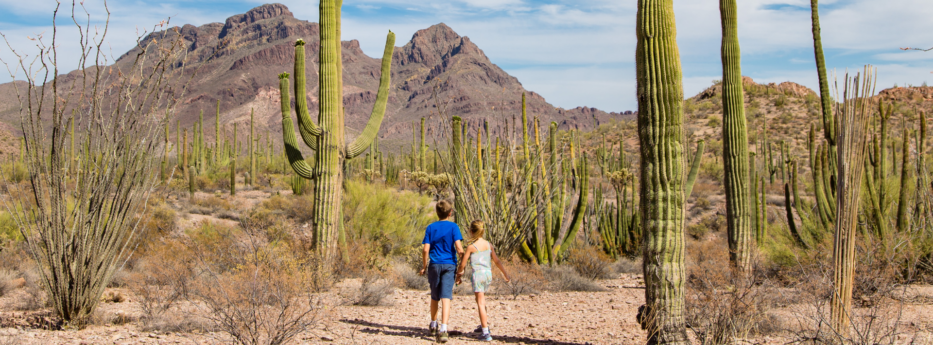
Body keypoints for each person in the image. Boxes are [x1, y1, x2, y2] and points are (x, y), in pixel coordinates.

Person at [455, 220, 511, 342]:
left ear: (471, 231)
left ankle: (486, 332)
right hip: (487, 274)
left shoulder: (471, 247)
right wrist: (505, 274)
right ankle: (483, 324)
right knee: (481, 300)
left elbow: (462, 264)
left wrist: (458, 275)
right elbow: (497, 261)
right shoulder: (488, 245)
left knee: (480, 302)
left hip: (478, 275)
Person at [419, 200, 463, 343]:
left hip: (434, 264)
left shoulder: (431, 227)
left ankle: (433, 324)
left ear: (437, 213)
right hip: (449, 265)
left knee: (434, 295)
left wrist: (424, 266)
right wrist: (462, 265)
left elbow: (425, 249)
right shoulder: (454, 227)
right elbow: (459, 249)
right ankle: (443, 329)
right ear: (450, 213)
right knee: (446, 297)